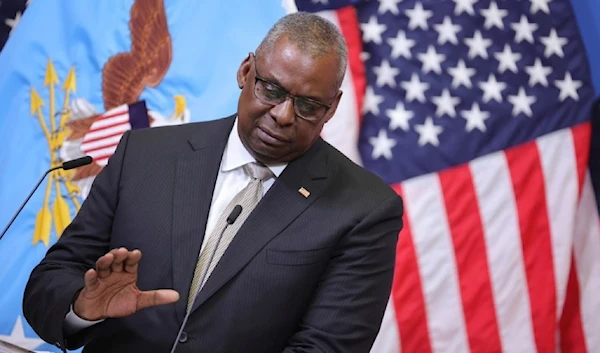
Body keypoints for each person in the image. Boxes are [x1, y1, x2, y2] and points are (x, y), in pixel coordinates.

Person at [23, 12, 404, 353]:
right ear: (245, 71)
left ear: (332, 107)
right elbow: (51, 279)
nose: (284, 116)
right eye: (271, 90)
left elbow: (327, 346)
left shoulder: (363, 209)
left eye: (308, 105)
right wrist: (82, 309)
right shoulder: (144, 154)